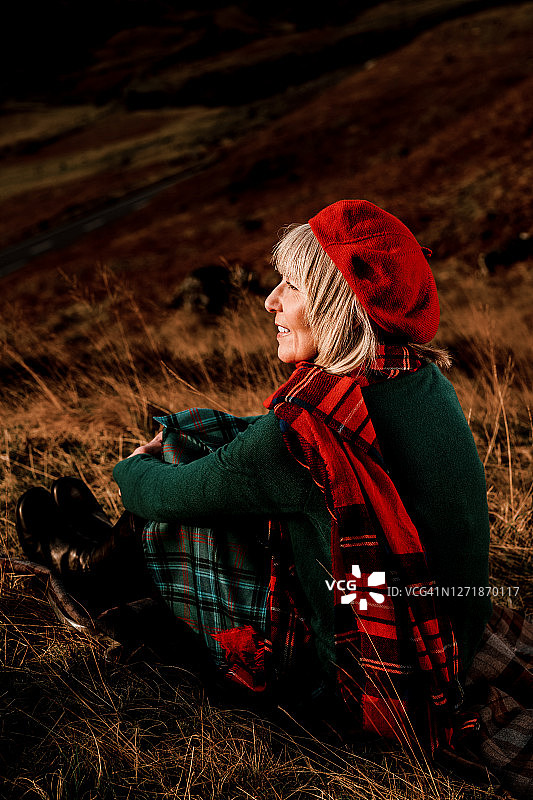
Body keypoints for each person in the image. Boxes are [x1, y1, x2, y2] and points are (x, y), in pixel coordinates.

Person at [13, 200, 532, 796]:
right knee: (213, 443)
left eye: (292, 285)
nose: (270, 301)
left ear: (339, 304)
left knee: (175, 480)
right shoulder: (419, 377)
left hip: (351, 676)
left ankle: (91, 565)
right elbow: (260, 446)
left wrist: (134, 465)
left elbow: (169, 495)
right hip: (436, 633)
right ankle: (103, 550)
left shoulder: (307, 433)